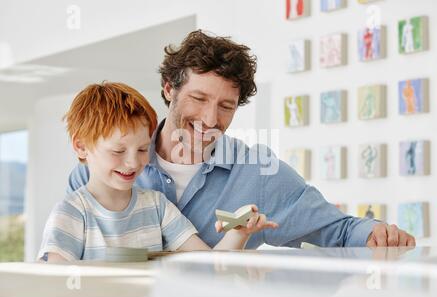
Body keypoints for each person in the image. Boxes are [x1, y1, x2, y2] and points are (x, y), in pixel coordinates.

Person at [68, 30, 416, 248]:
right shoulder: (100, 169)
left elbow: (337, 230)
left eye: (226, 106)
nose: (210, 119)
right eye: (199, 99)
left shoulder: (258, 173)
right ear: (169, 89)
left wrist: (377, 233)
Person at [37, 82, 277, 262]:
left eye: (142, 149)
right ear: (81, 147)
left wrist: (239, 233)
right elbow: (58, 288)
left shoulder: (156, 206)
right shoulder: (71, 214)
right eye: (118, 151)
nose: (132, 163)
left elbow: (208, 266)